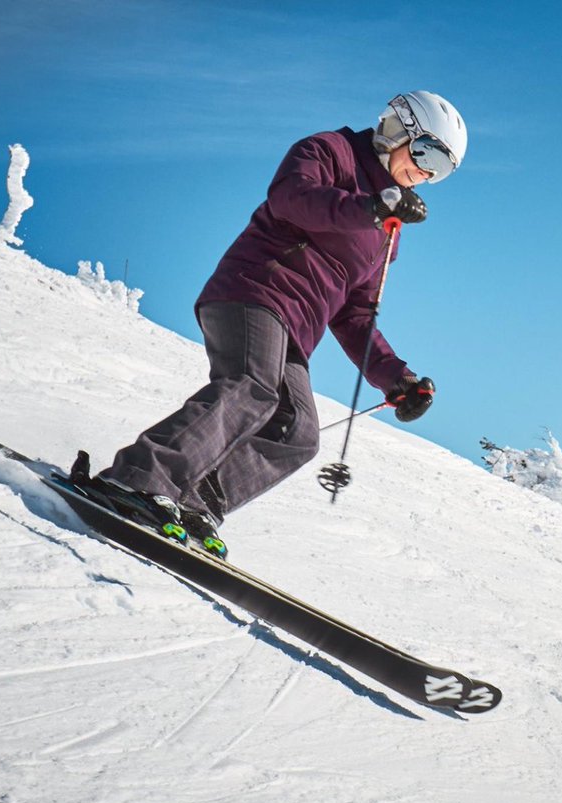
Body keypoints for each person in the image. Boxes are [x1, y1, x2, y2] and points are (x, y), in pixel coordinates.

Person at [75, 91, 467, 559]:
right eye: (426, 155)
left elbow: (355, 314)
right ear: (396, 129)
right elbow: (291, 200)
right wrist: (371, 207)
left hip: (295, 330)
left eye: (440, 171)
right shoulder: (330, 151)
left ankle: (197, 501)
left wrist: (396, 378)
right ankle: (140, 478)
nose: (426, 173)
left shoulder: (389, 231)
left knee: (297, 432)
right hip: (254, 291)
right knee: (251, 385)